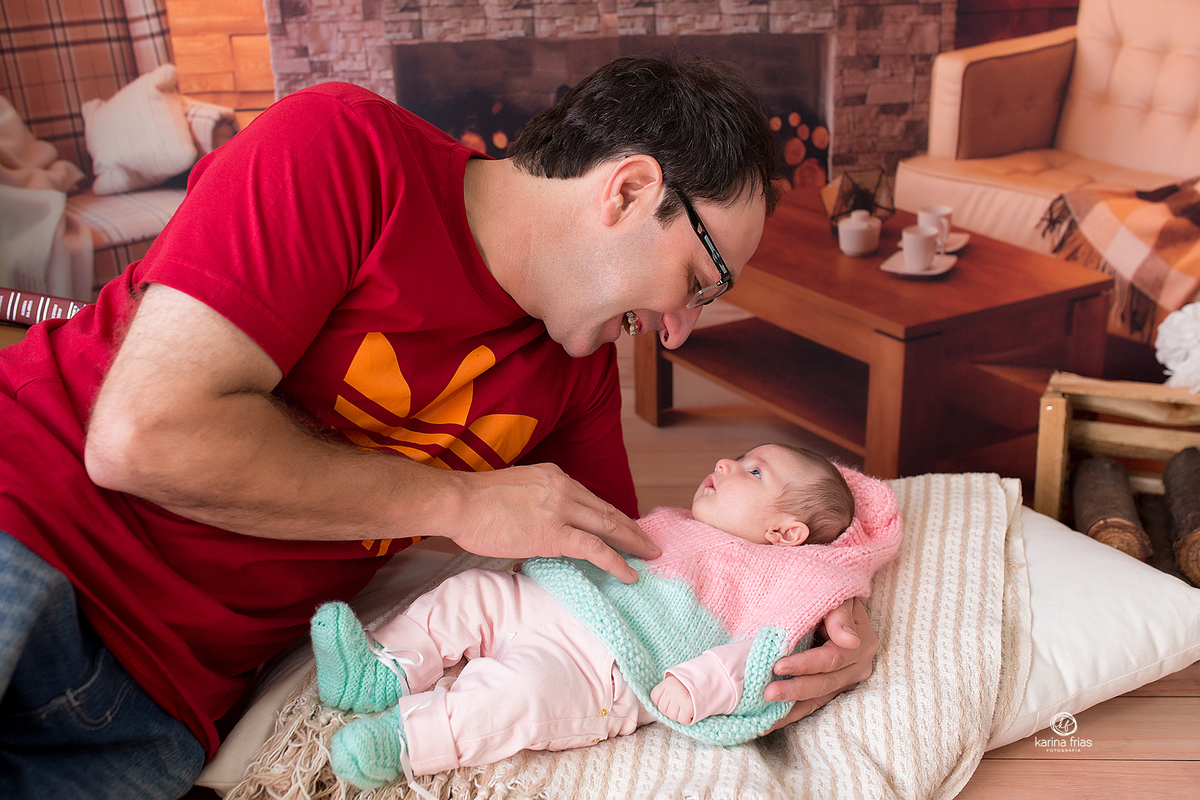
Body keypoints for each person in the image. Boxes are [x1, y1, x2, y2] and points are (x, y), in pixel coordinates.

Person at [0, 54, 877, 799]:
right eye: (701, 276)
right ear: (631, 189)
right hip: (25, 528)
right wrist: (460, 502)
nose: (682, 327)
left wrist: (823, 600)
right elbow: (143, 438)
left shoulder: (573, 377)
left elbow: (637, 578)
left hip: (152, 708)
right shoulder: (340, 151)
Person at [310, 445, 901, 792]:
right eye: (740, 457)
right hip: (556, 599)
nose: (725, 461)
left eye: (752, 472)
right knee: (470, 591)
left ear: (785, 534)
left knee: (516, 695)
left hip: (601, 672)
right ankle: (381, 670)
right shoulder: (680, 523)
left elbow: (758, 657)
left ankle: (405, 739)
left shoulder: (782, 582)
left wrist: (696, 686)